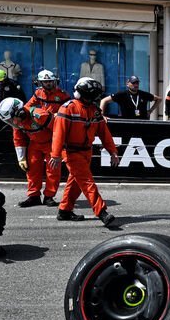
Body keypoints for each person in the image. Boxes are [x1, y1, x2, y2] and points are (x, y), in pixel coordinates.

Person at [50, 77, 120, 225]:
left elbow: (104, 134)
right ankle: (102, 212)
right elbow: (58, 133)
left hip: (86, 151)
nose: (90, 99)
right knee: (87, 182)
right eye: (88, 96)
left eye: (93, 96)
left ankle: (64, 211)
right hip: (71, 152)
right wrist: (55, 155)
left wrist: (113, 151)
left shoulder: (95, 111)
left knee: (75, 182)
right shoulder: (67, 108)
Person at [0, 97, 60, 208]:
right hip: (34, 145)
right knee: (31, 170)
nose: (12, 122)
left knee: (53, 171)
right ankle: (34, 196)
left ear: (19, 112)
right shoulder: (17, 122)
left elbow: (58, 131)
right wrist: (21, 158)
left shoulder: (40, 116)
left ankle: (49, 196)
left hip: (51, 143)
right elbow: (18, 138)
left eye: (11, 119)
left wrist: (58, 150)